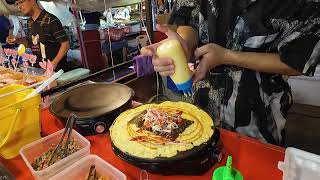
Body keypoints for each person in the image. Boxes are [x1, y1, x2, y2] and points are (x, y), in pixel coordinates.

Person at [141, 0, 320, 146]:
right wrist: (182, 46)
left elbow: (297, 61)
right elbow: (190, 22)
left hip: (259, 116)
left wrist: (228, 57)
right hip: (205, 105)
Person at [6, 0, 70, 71]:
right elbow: (31, 43)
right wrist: (16, 40)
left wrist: (54, 63)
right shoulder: (29, 23)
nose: (19, 7)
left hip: (58, 70)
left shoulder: (51, 20)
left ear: (32, 1)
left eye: (21, 2)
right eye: (17, 4)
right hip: (40, 69)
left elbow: (65, 45)